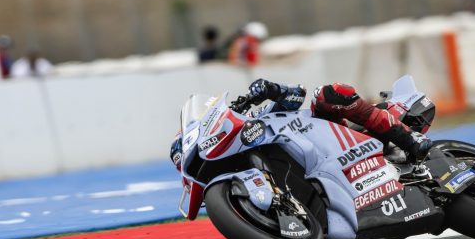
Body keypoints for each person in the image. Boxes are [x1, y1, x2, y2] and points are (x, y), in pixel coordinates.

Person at [170, 78, 432, 170]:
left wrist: (271, 90)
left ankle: (410, 139)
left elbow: (297, 95)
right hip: (321, 168)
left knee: (327, 93)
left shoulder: (248, 123)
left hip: (329, 136)